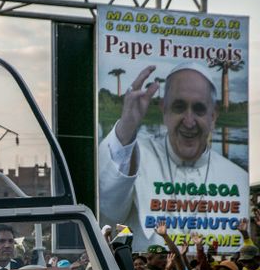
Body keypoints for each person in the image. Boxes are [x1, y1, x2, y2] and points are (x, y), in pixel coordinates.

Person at [98, 62, 249, 251]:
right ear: (164, 111)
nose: (189, 121)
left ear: (213, 117)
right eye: (179, 107)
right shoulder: (135, 153)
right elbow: (108, 205)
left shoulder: (238, 178)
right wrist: (127, 127)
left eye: (199, 109)